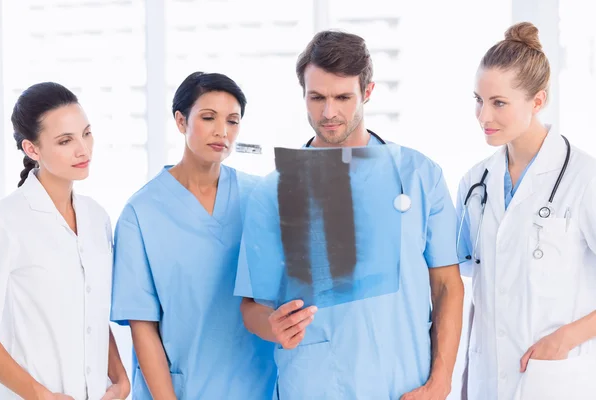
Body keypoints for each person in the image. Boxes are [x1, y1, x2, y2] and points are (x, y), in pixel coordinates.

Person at [235, 31, 465, 399]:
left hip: (404, 385)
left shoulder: (419, 176)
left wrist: (440, 383)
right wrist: (272, 327)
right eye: (317, 98)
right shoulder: (274, 190)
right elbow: (252, 307)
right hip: (313, 385)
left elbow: (448, 286)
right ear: (304, 96)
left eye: (343, 97)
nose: (329, 113)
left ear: (368, 92)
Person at [110, 72, 277, 400]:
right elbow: (143, 328)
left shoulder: (260, 199)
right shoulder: (140, 214)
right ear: (180, 120)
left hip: (259, 386)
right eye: (208, 118)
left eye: (232, 121)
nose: (222, 132)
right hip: (182, 389)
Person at [456, 22, 596, 400]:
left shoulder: (584, 178)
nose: (484, 116)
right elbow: (481, 293)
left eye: (498, 103)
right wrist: (466, 379)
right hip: (488, 381)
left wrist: (565, 339)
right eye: (478, 100)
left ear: (538, 101)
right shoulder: (475, 183)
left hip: (556, 378)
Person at [0, 82, 129, 400]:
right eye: (65, 140)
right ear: (32, 149)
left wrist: (120, 377)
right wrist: (39, 394)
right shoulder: (7, 222)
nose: (83, 149)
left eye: (86, 133)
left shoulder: (97, 218)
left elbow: (92, 310)